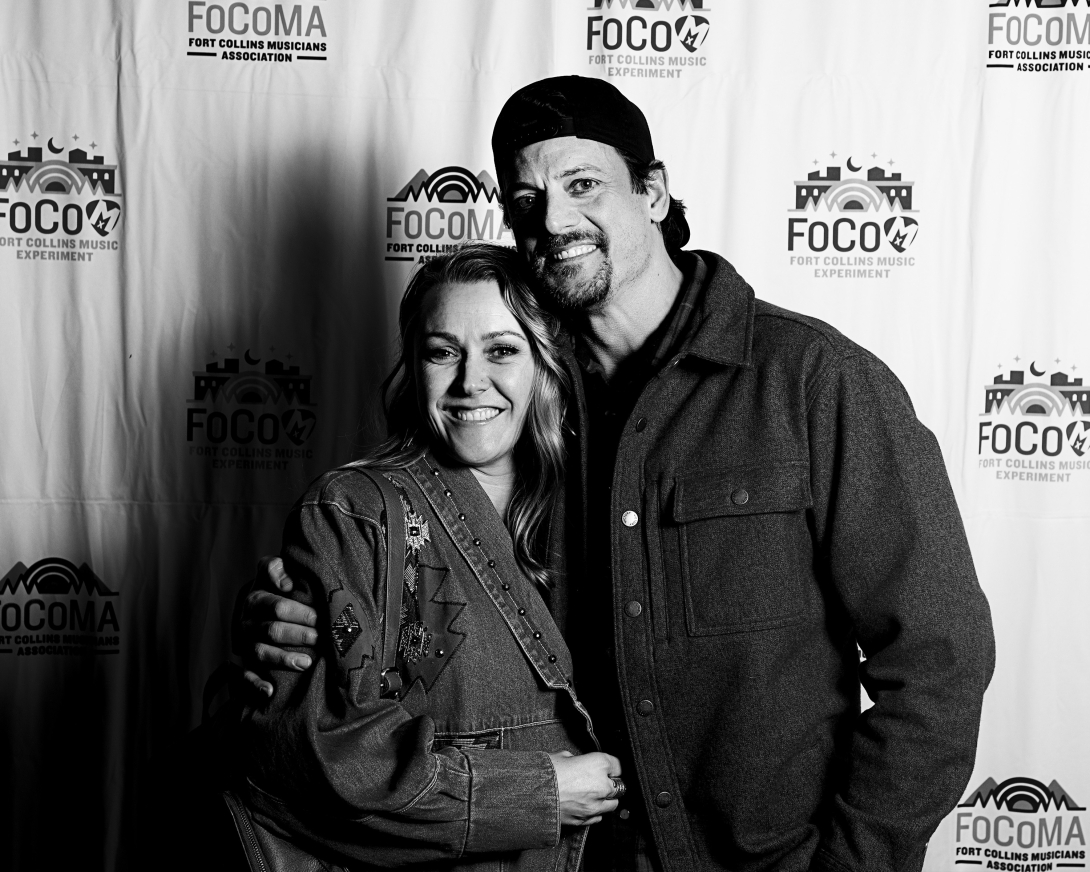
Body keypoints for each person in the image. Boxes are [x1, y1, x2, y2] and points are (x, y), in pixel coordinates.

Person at [238, 77, 995, 872]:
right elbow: (404, 571)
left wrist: (852, 862)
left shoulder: (812, 382)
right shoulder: (513, 405)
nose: (556, 220)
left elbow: (939, 659)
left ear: (655, 192)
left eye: (584, 184)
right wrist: (297, 624)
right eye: (526, 201)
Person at [235, 243, 625, 870]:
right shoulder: (356, 512)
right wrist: (536, 794)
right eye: (443, 352)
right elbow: (322, 760)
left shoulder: (594, 514)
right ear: (414, 369)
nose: (471, 381)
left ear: (542, 365)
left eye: (501, 350)